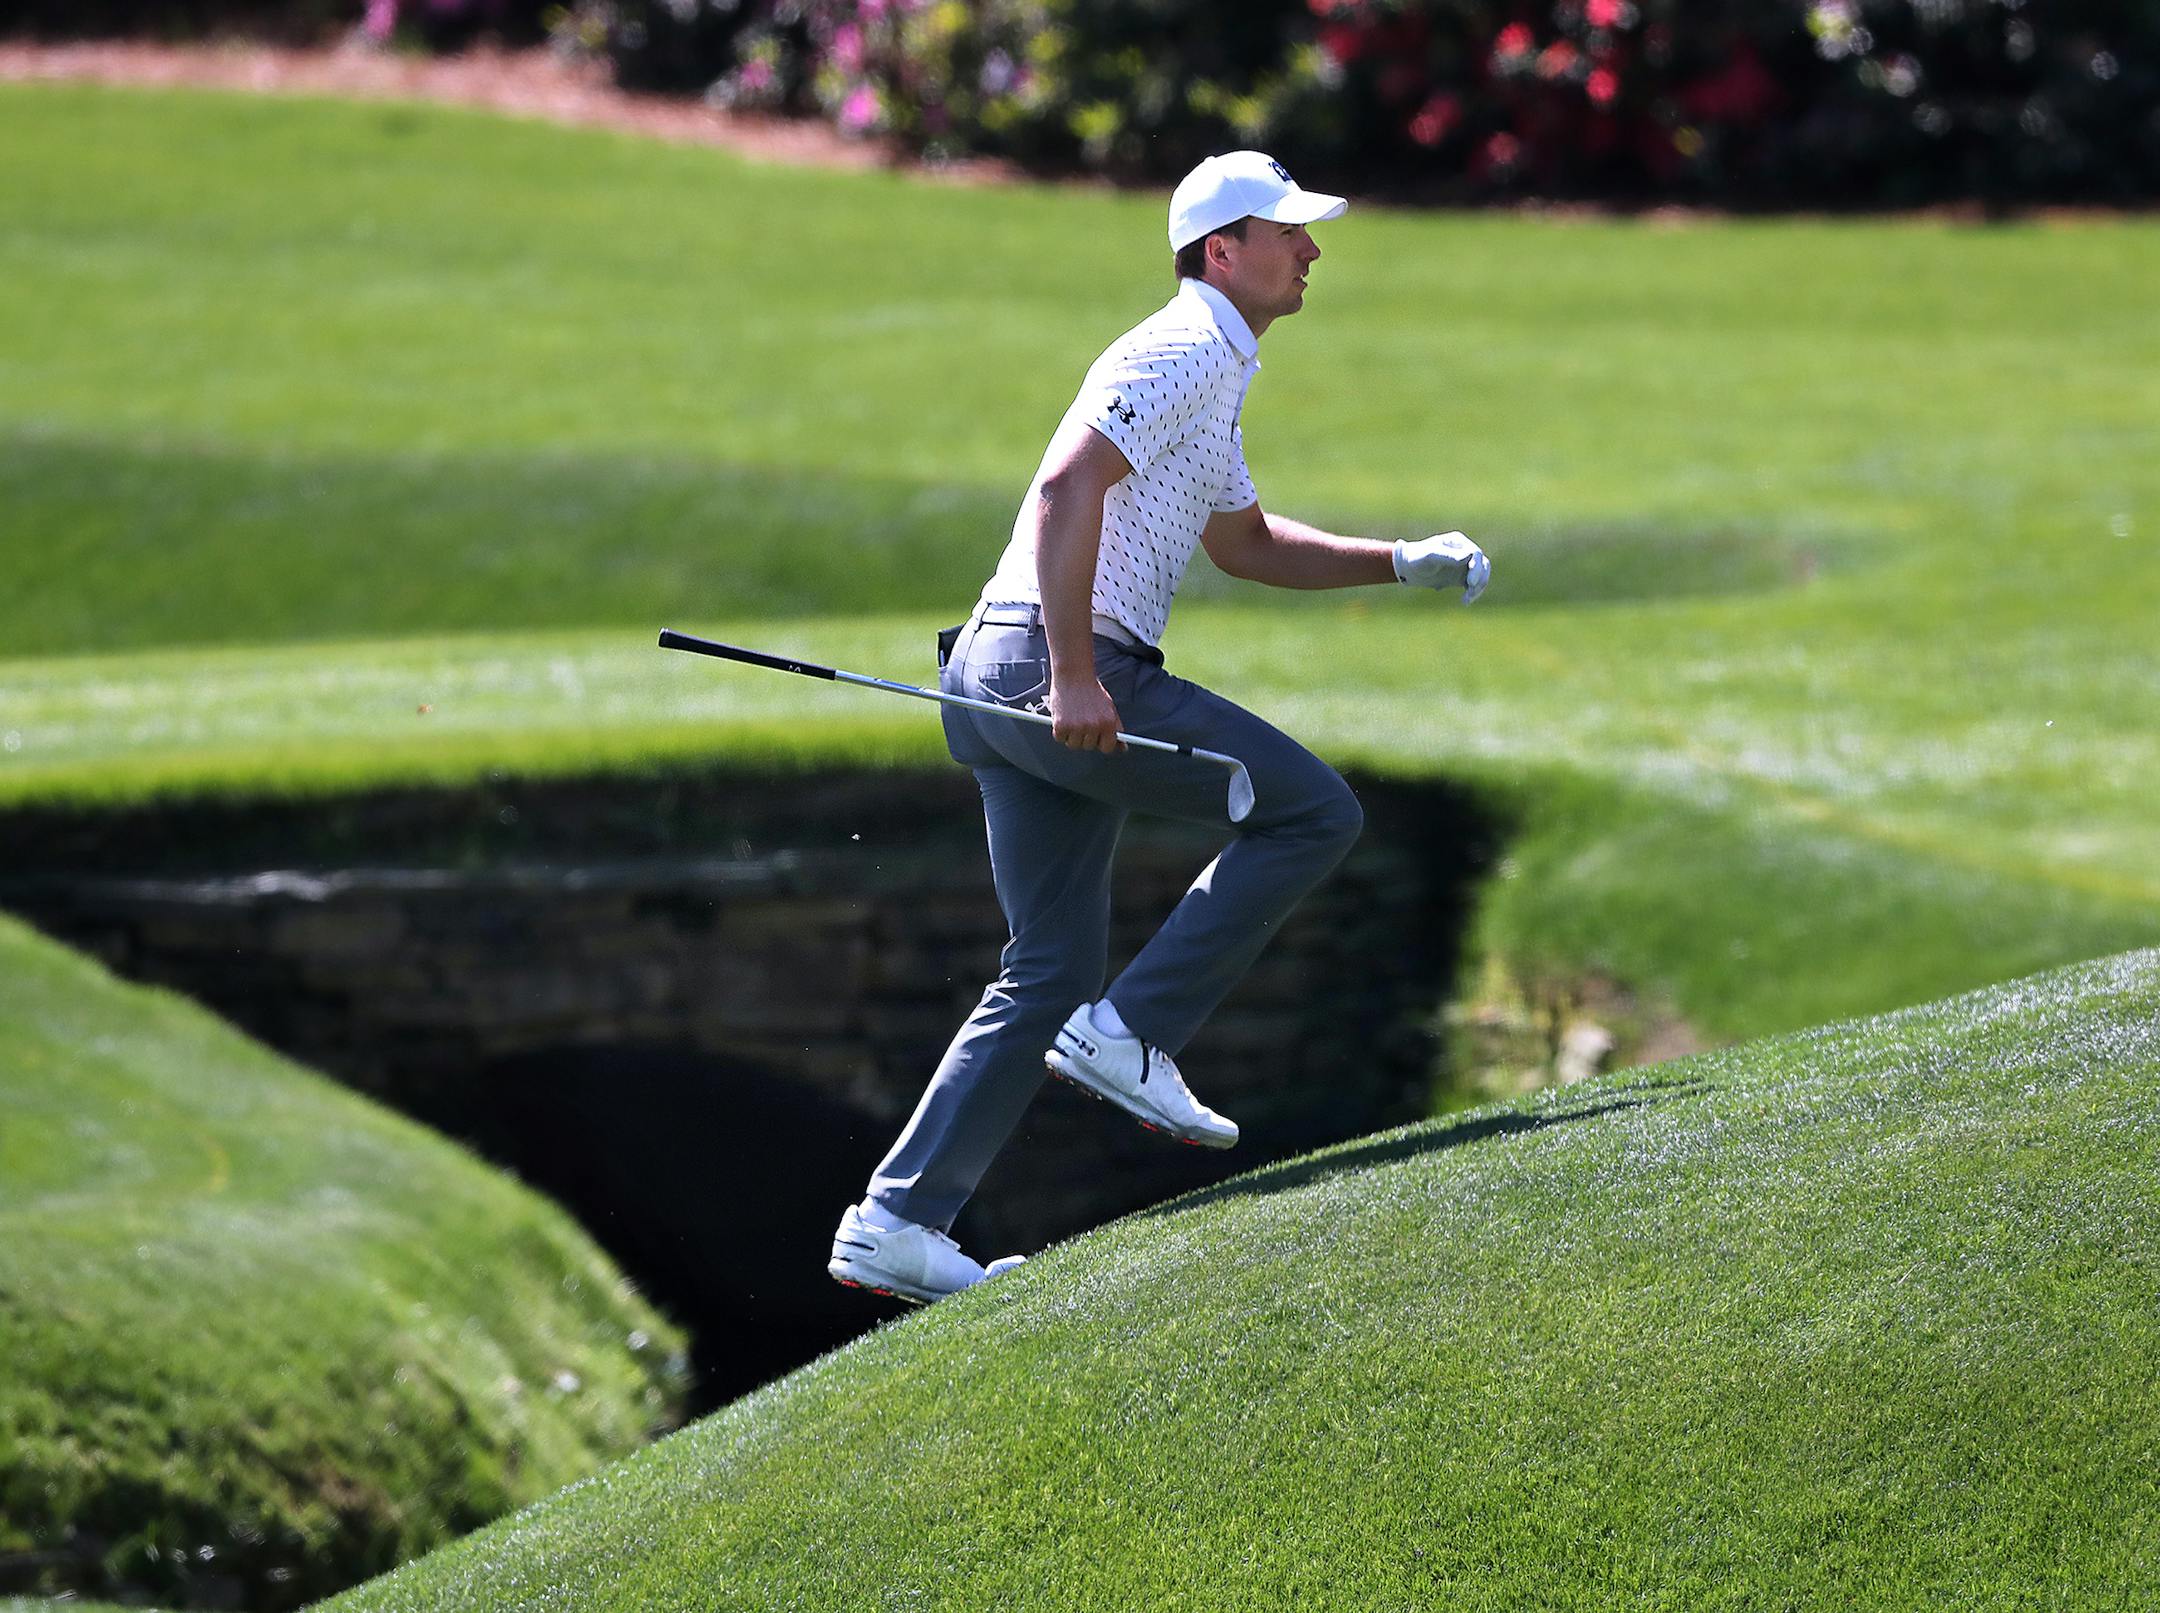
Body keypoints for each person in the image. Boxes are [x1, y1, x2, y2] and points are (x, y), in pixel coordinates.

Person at [827, 151, 1490, 1304]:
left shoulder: (1213, 367)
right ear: (1221, 252)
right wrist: (1079, 673)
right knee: (1309, 811)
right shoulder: (1181, 349)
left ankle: (896, 1217)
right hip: (1056, 667)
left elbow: (1246, 544)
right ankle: (1133, 1030)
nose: (1312, 251)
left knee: (1044, 969)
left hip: (995, 673)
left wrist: (1398, 559)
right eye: (1289, 233)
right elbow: (1065, 490)